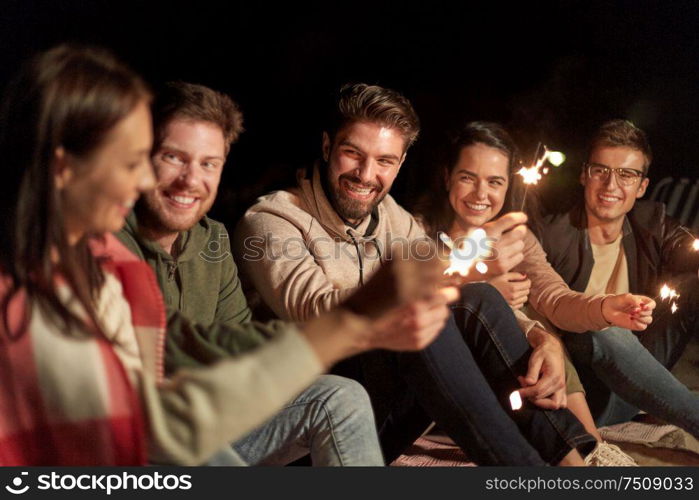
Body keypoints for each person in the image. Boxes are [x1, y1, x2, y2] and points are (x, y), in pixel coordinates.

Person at [0, 45, 452, 466]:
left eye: (210, 163)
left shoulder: (116, 259)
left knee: (338, 394)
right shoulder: (42, 283)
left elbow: (202, 342)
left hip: (184, 423)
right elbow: (160, 431)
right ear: (62, 166)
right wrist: (353, 321)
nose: (145, 180)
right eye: (144, 158)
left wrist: (361, 326)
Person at [235, 83, 598, 465]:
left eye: (385, 161)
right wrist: (454, 265)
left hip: (378, 419)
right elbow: (317, 312)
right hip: (309, 430)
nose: (365, 174)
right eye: (352, 153)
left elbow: (473, 301)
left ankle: (570, 466)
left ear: (401, 163)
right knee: (426, 311)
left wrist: (541, 337)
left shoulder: (393, 218)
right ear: (327, 148)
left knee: (475, 298)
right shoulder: (272, 221)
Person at [116, 81, 386, 466]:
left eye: (208, 163)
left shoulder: (212, 240)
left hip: (207, 420)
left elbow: (239, 347)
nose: (191, 180)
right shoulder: (104, 236)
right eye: (174, 157)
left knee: (340, 397)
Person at [416, 120, 650, 465]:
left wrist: (605, 307)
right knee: (504, 307)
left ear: (508, 185)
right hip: (442, 387)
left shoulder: (516, 237)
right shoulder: (417, 232)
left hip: (515, 385)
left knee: (540, 319)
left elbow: (554, 296)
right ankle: (584, 449)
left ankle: (588, 450)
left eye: (495, 181)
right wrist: (481, 284)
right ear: (448, 176)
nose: (481, 195)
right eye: (468, 177)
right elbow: (413, 302)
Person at [533, 119, 699, 436]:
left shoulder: (654, 222)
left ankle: (655, 398)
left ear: (642, 187)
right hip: (584, 394)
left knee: (690, 286)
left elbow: (685, 248)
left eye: (626, 174)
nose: (611, 185)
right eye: (601, 171)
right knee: (603, 330)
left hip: (642, 376)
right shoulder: (551, 235)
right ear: (584, 175)